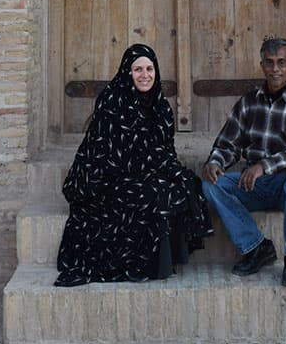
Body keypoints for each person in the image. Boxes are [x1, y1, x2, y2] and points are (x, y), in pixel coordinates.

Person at [54, 43, 213, 287]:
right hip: (105, 177)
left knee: (184, 184)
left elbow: (164, 150)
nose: (145, 75)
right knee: (152, 193)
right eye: (138, 69)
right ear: (127, 72)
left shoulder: (160, 106)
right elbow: (110, 155)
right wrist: (154, 169)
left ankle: (169, 260)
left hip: (143, 170)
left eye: (150, 69)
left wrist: (171, 170)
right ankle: (148, 265)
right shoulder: (111, 100)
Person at [201, 37, 286, 287]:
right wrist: (215, 162)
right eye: (269, 62)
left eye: (281, 62)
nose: (275, 69)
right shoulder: (249, 102)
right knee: (211, 185)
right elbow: (228, 143)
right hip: (254, 185)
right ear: (262, 65)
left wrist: (266, 165)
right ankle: (257, 247)